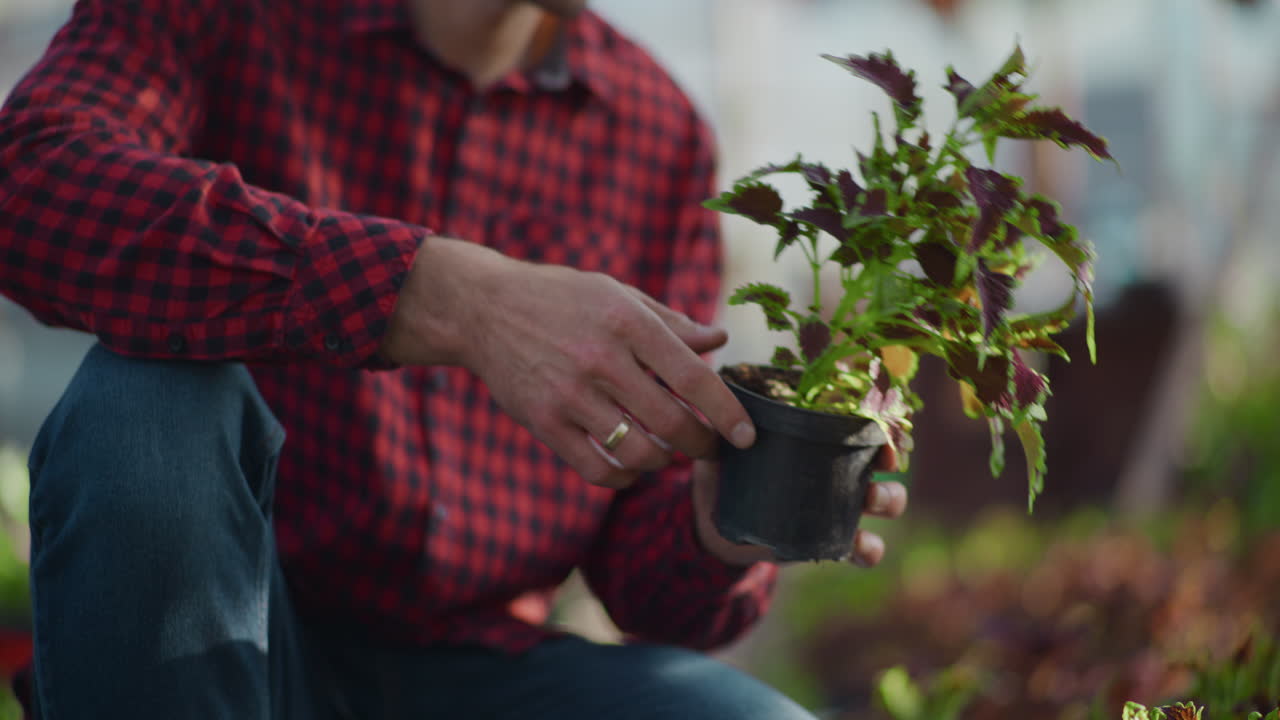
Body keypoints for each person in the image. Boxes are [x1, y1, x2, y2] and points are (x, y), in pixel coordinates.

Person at [0, 0, 909, 717]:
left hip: (487, 675)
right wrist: (447, 296)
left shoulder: (656, 131)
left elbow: (648, 583)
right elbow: (28, 186)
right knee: (147, 406)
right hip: (228, 640)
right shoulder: (231, 15)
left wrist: (717, 525)